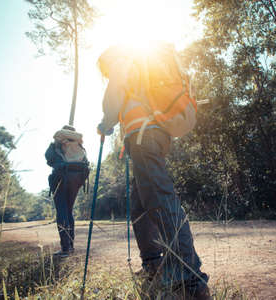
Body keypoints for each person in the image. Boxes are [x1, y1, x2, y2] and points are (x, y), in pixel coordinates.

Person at [96, 44, 211, 300]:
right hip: (150, 136)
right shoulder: (139, 68)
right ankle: (153, 264)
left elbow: (113, 101)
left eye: (103, 69)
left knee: (159, 200)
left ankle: (188, 278)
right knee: (141, 205)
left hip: (144, 136)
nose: (105, 73)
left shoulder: (122, 65)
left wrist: (105, 123)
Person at [45, 125, 89, 257]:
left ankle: (66, 248)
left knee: (62, 211)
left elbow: (48, 158)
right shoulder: (78, 144)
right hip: (77, 179)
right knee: (68, 210)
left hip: (61, 177)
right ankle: (70, 246)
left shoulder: (58, 142)